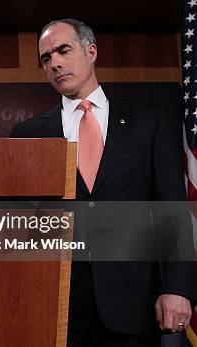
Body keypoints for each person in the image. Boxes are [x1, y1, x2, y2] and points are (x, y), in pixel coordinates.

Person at [11, 18, 195, 346]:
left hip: (135, 306)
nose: (54, 63)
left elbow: (172, 212)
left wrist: (177, 288)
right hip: (58, 309)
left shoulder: (148, 123)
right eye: (46, 58)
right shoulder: (28, 135)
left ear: (91, 51)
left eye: (63, 50)